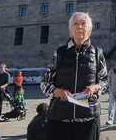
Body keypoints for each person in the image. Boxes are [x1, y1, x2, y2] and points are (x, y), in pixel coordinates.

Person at [45, 12, 108, 140]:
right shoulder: (59, 53)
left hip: (88, 120)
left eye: (83, 24)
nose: (80, 27)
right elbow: (44, 83)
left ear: (89, 30)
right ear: (70, 31)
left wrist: (96, 87)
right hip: (60, 119)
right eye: (75, 24)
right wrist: (57, 91)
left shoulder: (97, 53)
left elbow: (105, 82)